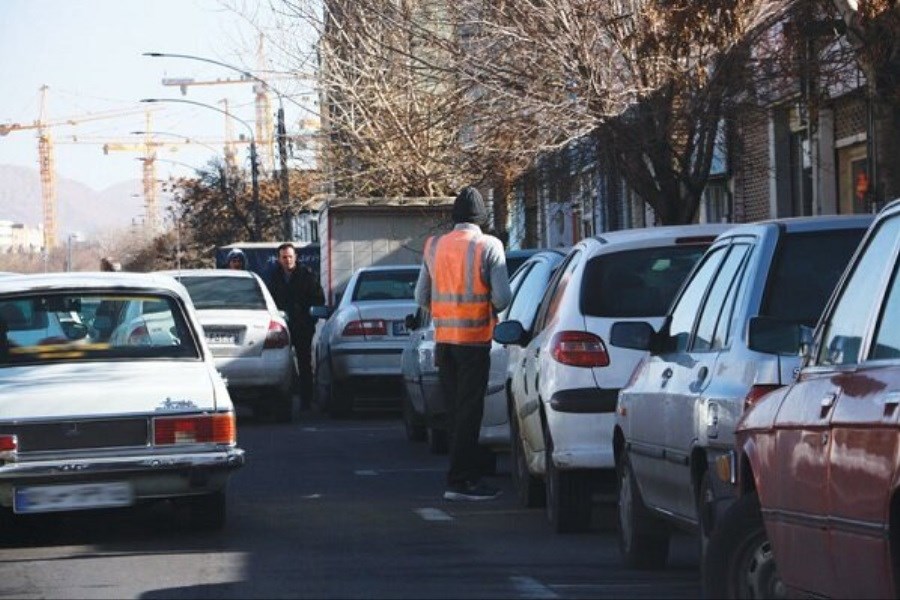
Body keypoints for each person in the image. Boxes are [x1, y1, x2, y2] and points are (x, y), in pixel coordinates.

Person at [415, 186, 512, 501]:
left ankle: (460, 476)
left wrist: (446, 311)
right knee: (471, 411)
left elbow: (420, 297)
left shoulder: (434, 246)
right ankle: (463, 480)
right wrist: (486, 308)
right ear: (481, 218)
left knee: (456, 411)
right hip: (474, 340)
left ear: (454, 216)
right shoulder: (488, 245)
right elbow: (502, 297)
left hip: (444, 340)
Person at [266, 242, 325, 411]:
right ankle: (280, 402)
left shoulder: (306, 275)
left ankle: (306, 401)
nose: (288, 260)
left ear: (296, 257)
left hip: (302, 326)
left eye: (290, 257)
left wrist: (309, 319)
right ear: (279, 259)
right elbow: (269, 301)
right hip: (280, 327)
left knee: (304, 364)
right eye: (284, 257)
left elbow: (318, 299)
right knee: (280, 363)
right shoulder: (273, 277)